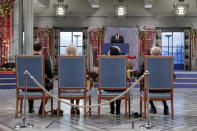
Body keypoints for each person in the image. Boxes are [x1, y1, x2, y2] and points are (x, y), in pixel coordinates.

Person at [29, 40, 63, 115]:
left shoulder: (27, 59)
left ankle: (30, 108)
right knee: (49, 85)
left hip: (28, 87)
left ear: (33, 49)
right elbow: (50, 75)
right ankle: (41, 109)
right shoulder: (46, 59)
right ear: (42, 48)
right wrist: (53, 78)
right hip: (42, 87)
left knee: (31, 82)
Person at [137, 46, 171, 115]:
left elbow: (140, 74)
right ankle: (165, 106)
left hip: (150, 89)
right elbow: (172, 76)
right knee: (161, 84)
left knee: (145, 87)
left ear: (151, 53)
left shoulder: (146, 61)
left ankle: (153, 107)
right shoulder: (167, 61)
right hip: (165, 89)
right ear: (160, 53)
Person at [64, 43, 80, 115]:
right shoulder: (79, 60)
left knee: (70, 83)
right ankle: (77, 105)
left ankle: (72, 106)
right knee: (77, 84)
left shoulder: (63, 60)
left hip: (65, 87)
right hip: (77, 87)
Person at [107, 46, 122, 115]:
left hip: (108, 88)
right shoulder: (122, 63)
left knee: (110, 84)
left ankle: (112, 109)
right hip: (119, 88)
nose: (107, 53)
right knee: (118, 86)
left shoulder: (105, 62)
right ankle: (118, 109)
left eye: (108, 52)